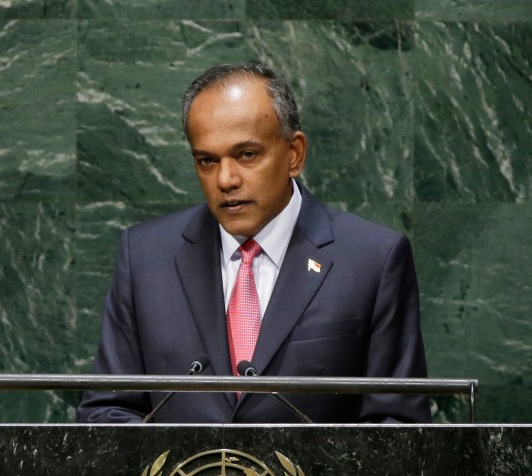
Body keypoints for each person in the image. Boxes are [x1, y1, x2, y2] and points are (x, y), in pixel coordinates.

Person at [77, 63, 430, 423]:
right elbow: (108, 411)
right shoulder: (145, 256)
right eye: (207, 161)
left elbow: (397, 426)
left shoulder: (372, 259)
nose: (226, 179)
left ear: (294, 154)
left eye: (246, 155)